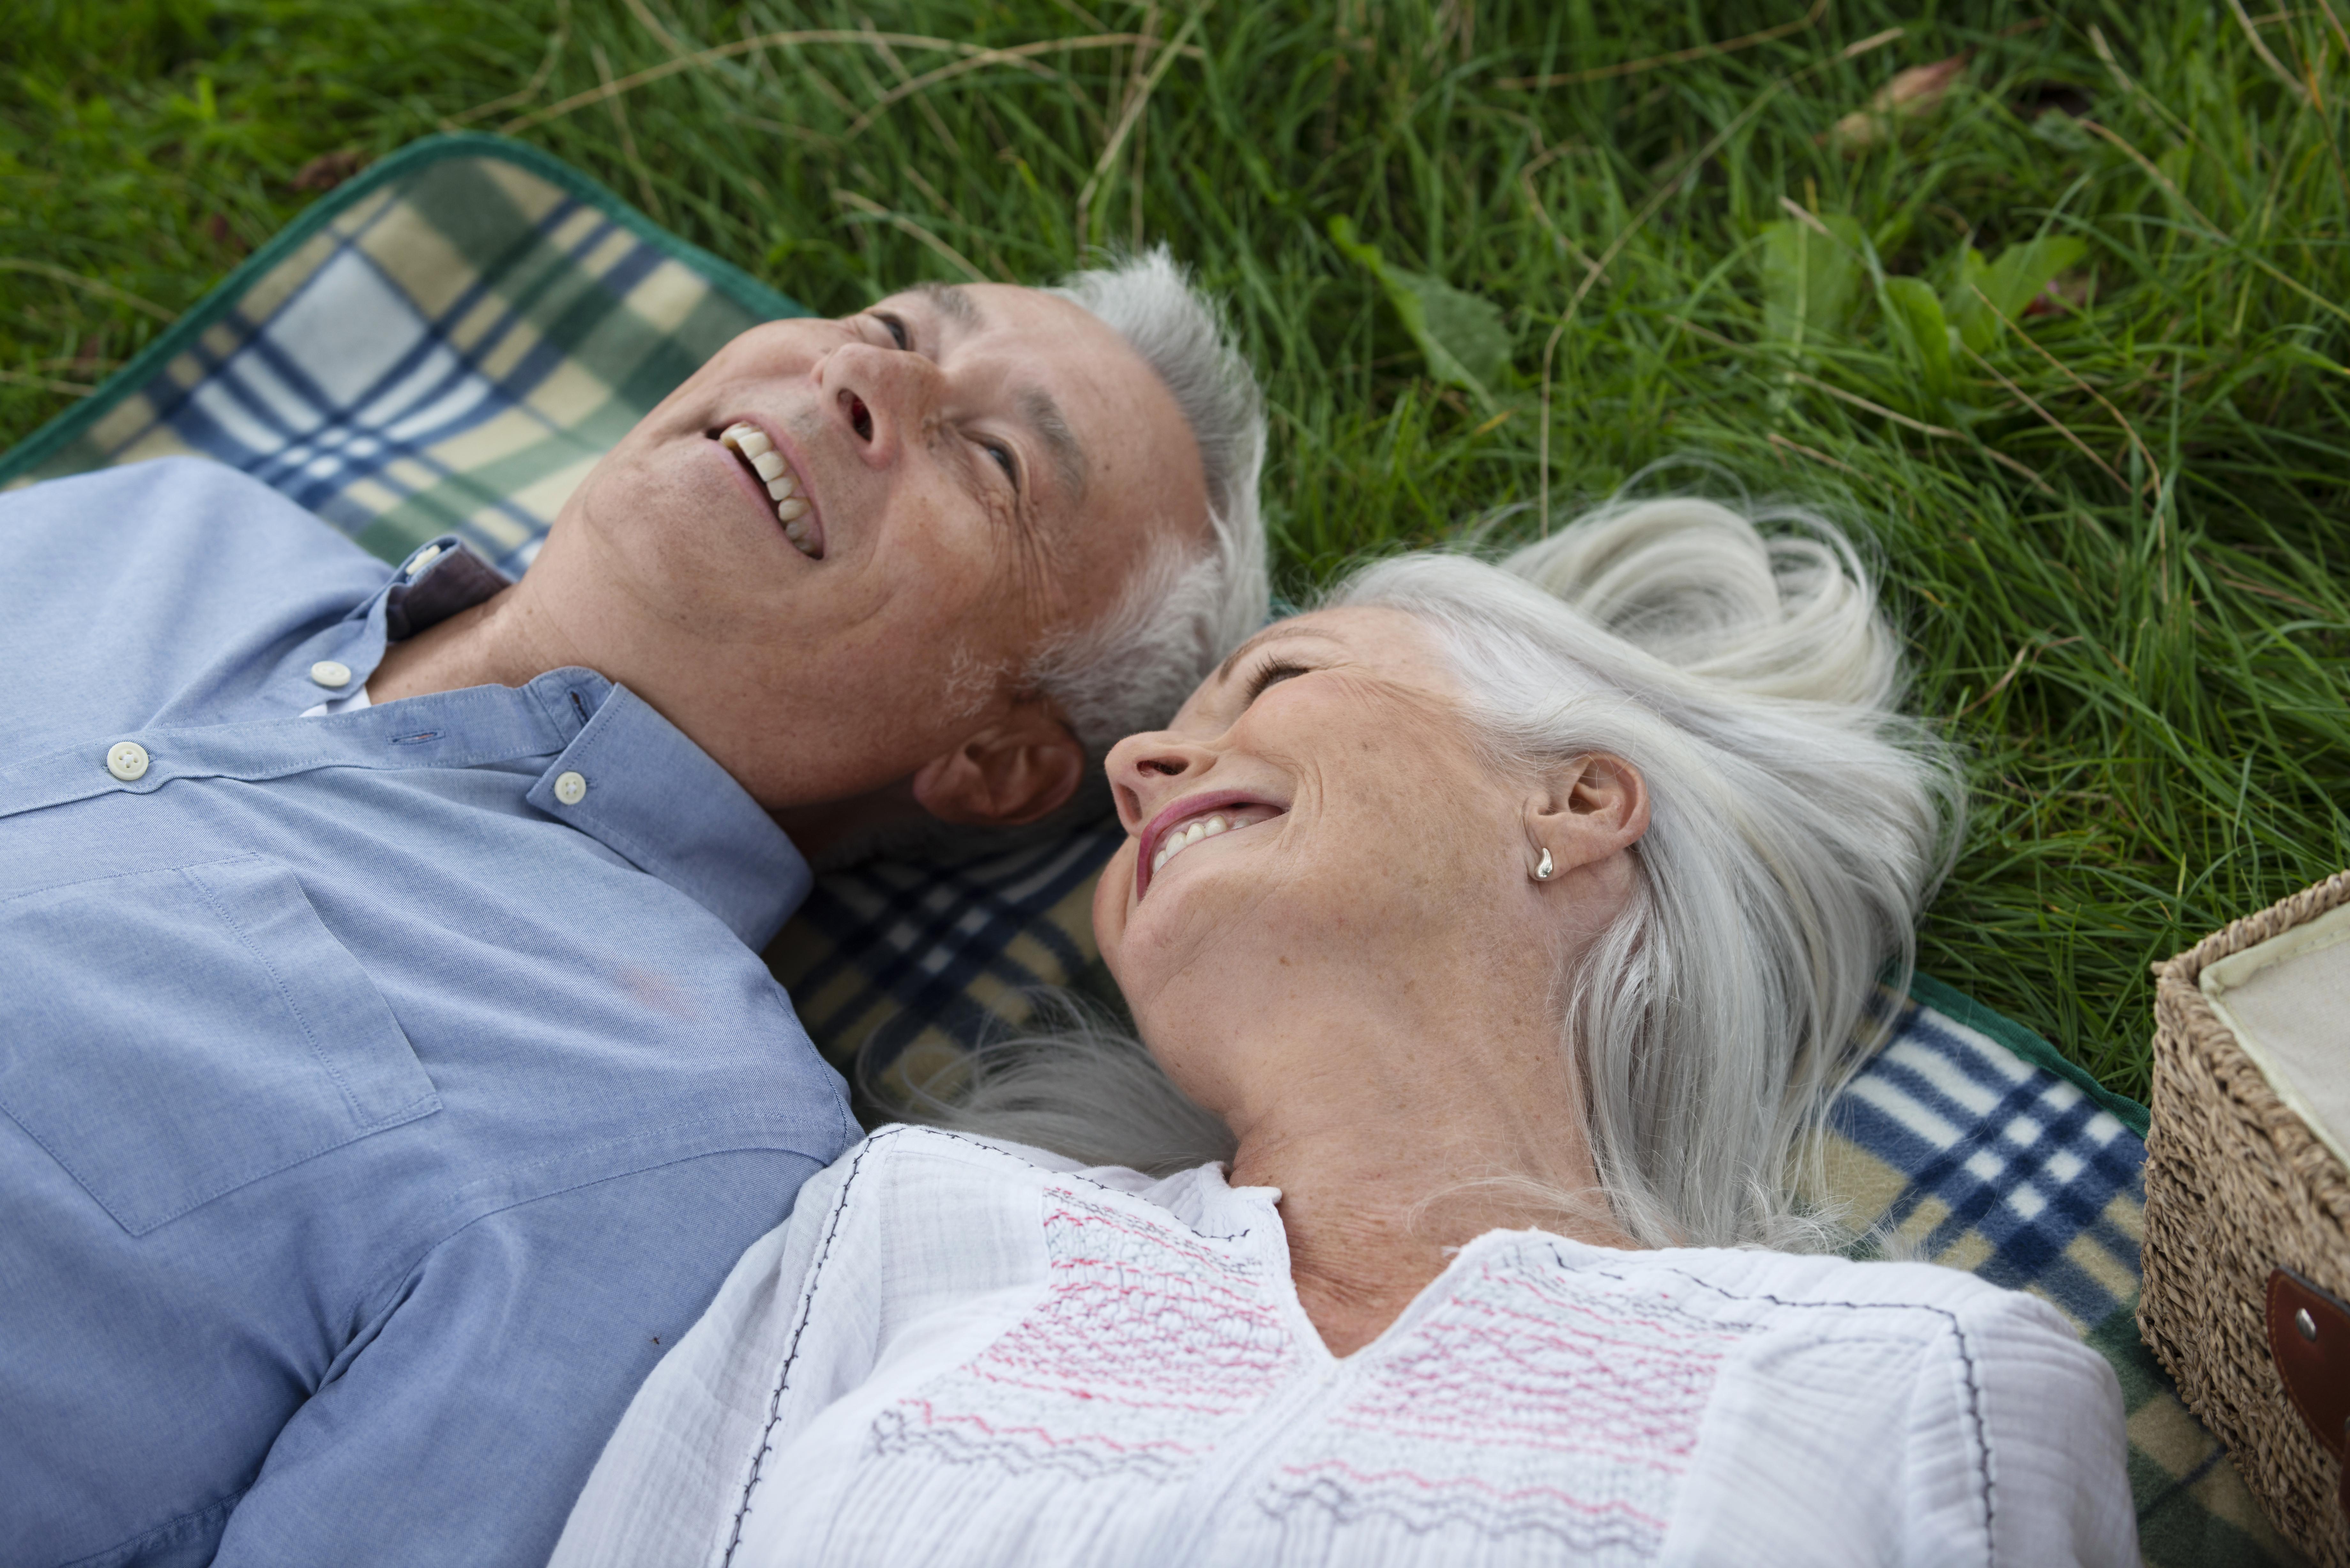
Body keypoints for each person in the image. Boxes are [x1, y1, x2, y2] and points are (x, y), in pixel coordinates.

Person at [552, 498, 2138, 1566]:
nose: (1144, 768)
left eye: (1277, 678)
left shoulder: (1906, 1387)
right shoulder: (908, 1227)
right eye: (1167, 733)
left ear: (1575, 800)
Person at [0, 251, 1266, 1567]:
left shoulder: (683, 1150)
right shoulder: (181, 525)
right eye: (891, 323)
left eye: (997, 461)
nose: (864, 373)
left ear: (995, 763)